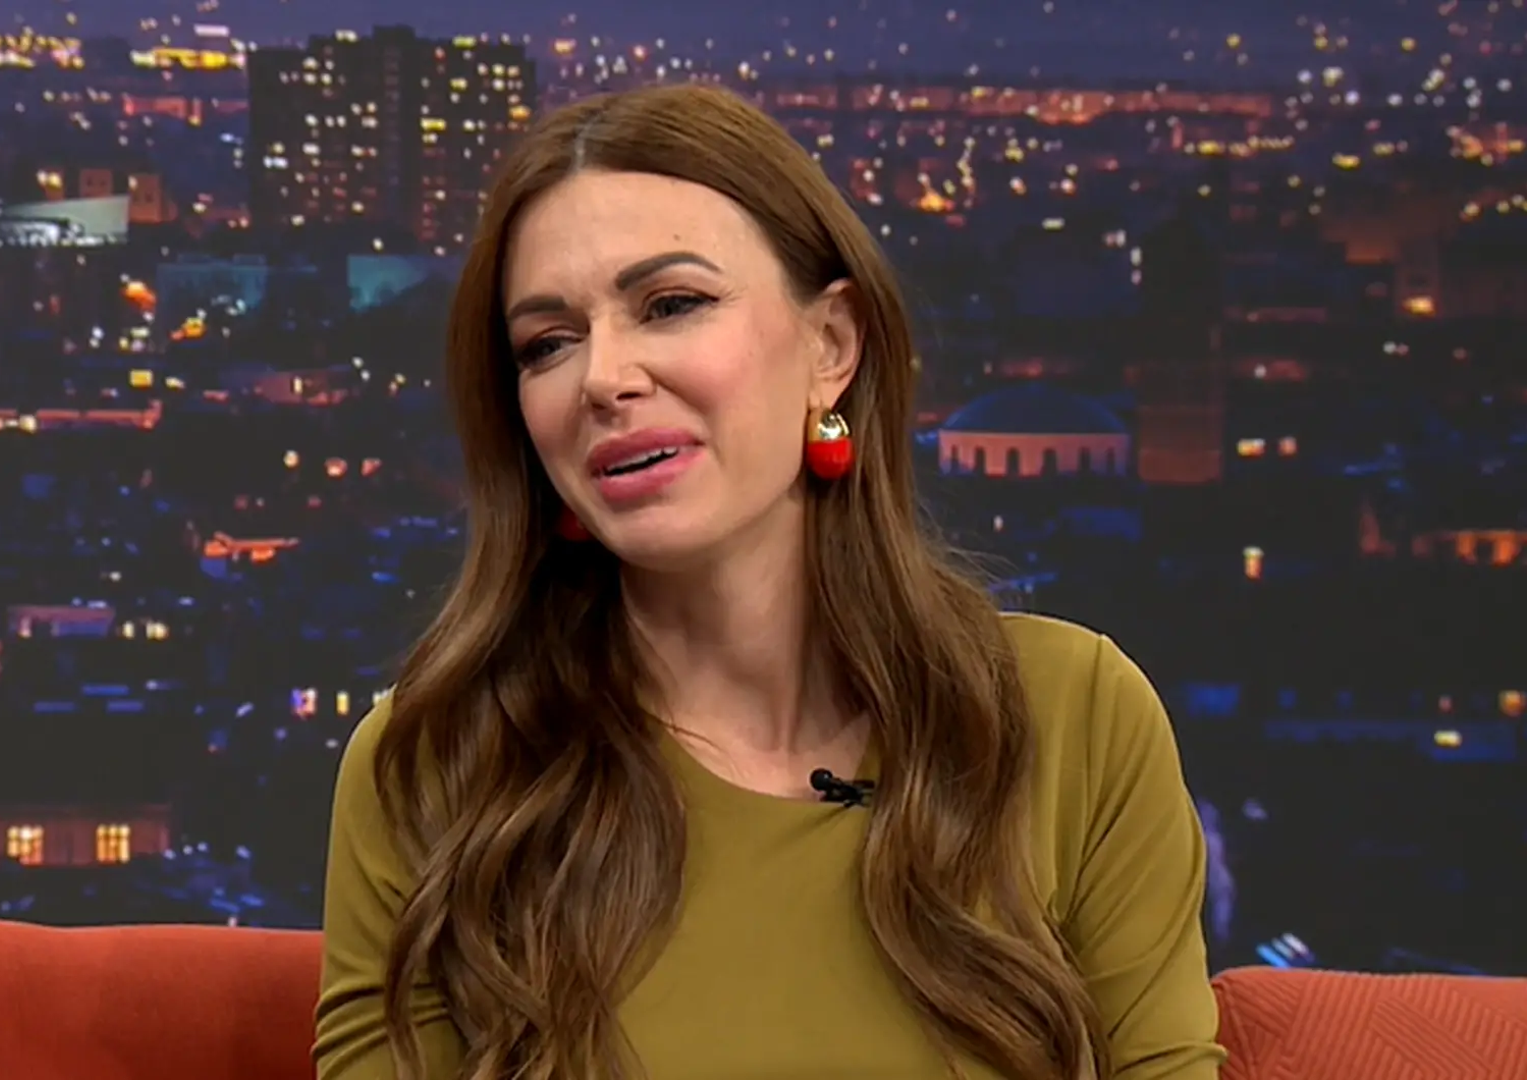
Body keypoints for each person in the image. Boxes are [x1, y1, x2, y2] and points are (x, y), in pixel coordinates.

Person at [315, 83, 1224, 1080]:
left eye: (671, 305)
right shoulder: (435, 766)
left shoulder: (1074, 718)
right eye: (547, 344)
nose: (601, 378)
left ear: (830, 345)